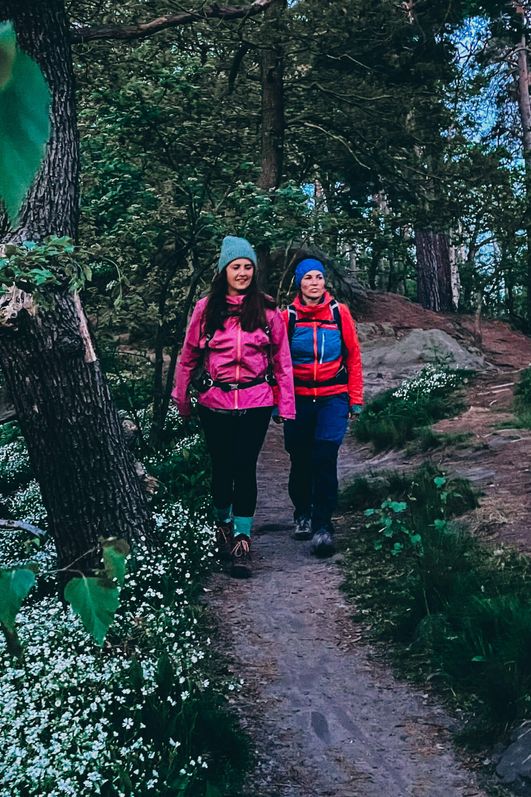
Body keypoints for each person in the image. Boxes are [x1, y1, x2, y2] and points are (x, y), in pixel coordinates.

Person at [172, 235, 295, 578]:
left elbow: (282, 361)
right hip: (216, 403)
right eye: (235, 266)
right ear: (224, 270)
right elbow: (187, 358)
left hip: (256, 402)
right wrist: (182, 399)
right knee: (222, 469)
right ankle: (222, 525)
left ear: (254, 272)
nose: (242, 273)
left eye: (247, 267)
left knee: (244, 468)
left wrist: (285, 406)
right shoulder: (205, 308)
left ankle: (242, 540)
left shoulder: (268, 310)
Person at [282, 256, 363, 557]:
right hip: (299, 399)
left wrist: (355, 399)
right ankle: (302, 511)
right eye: (307, 278)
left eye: (318, 277)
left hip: (333, 397)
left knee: (325, 456)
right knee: (300, 459)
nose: (314, 282)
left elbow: (353, 357)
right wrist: (281, 402)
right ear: (299, 283)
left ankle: (323, 526)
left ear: (324, 281)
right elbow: (279, 363)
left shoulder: (339, 313)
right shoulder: (287, 317)